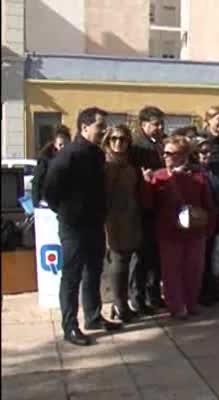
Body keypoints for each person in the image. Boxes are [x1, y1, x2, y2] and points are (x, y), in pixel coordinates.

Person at [44, 107, 121, 346]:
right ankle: (70, 327)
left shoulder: (97, 154)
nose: (104, 130)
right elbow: (50, 189)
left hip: (94, 223)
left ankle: (93, 317)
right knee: (72, 276)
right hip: (73, 226)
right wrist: (66, 212)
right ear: (84, 127)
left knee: (94, 272)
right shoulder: (69, 154)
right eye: (100, 126)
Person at [142, 136, 216, 320]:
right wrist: (145, 183)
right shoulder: (158, 176)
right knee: (171, 271)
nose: (165, 156)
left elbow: (208, 204)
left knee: (193, 269)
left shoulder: (198, 177)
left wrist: (209, 228)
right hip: (169, 232)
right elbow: (148, 204)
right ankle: (176, 307)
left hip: (195, 231)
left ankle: (191, 303)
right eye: (164, 153)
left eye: (170, 153)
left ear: (183, 155)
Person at [101, 125, 143, 323]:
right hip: (112, 219)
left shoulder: (129, 164)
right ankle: (118, 305)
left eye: (123, 139)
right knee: (118, 260)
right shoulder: (106, 164)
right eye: (114, 139)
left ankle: (122, 303)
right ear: (108, 141)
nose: (118, 143)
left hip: (131, 216)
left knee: (126, 260)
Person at [129, 106, 166, 315]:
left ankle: (153, 295)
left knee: (155, 255)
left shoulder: (161, 144)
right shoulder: (136, 146)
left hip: (157, 205)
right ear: (144, 125)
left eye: (161, 124)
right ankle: (137, 297)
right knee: (141, 257)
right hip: (141, 207)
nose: (160, 128)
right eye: (155, 124)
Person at [196, 137, 219, 304]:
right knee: (201, 259)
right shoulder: (193, 172)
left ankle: (214, 289)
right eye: (202, 152)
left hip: (217, 221)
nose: (207, 156)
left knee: (216, 256)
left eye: (210, 152)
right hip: (199, 221)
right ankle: (200, 292)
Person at [32, 125, 71, 207]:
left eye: (66, 144)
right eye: (60, 145)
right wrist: (36, 205)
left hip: (65, 203)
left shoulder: (72, 157)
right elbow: (37, 182)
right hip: (48, 202)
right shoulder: (45, 158)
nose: (63, 147)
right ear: (55, 145)